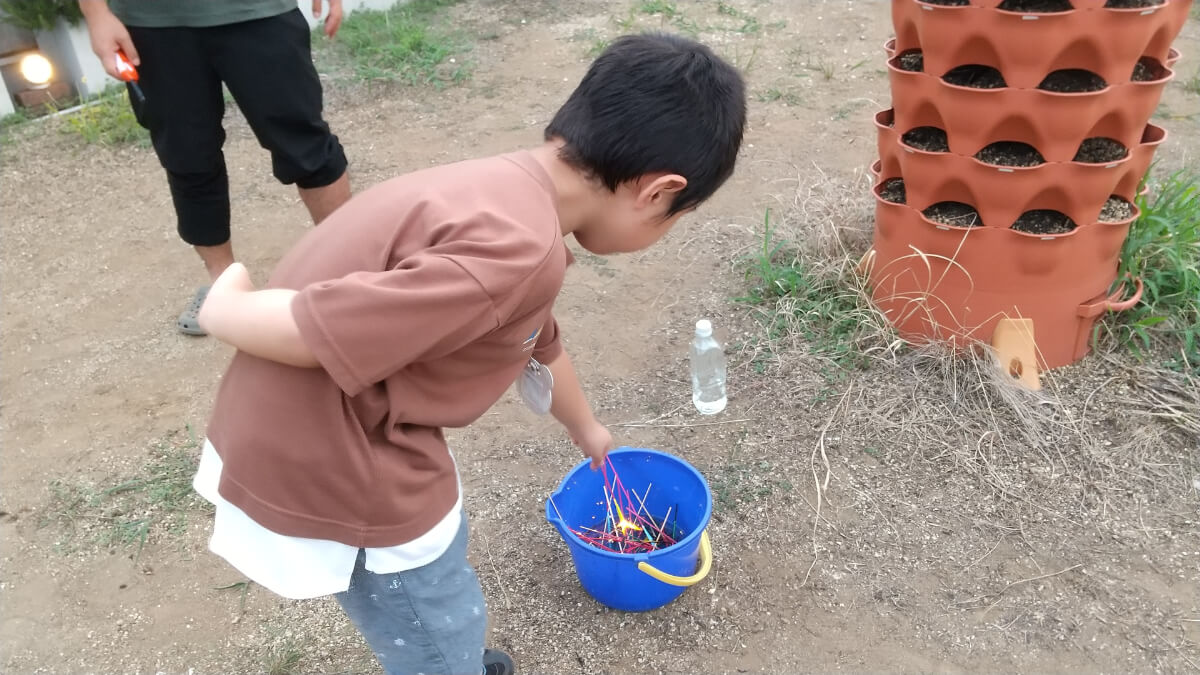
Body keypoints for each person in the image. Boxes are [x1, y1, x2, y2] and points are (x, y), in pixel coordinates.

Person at [193, 33, 746, 675]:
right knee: (426, 603)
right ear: (657, 192)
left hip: (327, 416)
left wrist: (586, 428)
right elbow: (319, 332)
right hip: (338, 447)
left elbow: (535, 338)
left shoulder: (506, 190)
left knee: (435, 588)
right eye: (677, 216)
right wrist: (225, 305)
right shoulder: (518, 252)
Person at [79, 0, 352, 335]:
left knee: (305, 144)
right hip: (150, 22)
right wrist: (97, 15)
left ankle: (349, 268)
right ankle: (225, 289)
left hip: (260, 10)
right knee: (187, 156)